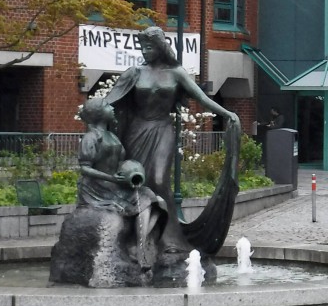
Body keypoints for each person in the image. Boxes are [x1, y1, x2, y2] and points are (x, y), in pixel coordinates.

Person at [105, 26, 241, 255]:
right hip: (137, 130)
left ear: (159, 47)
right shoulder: (135, 72)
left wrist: (227, 114)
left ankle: (170, 238)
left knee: (159, 180)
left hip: (162, 129)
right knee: (137, 182)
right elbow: (110, 101)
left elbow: (201, 98)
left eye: (149, 47)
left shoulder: (176, 73)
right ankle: (137, 236)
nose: (144, 51)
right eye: (142, 47)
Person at [76, 98, 166, 269]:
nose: (112, 108)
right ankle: (139, 249)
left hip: (115, 183)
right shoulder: (91, 137)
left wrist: (130, 171)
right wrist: (110, 178)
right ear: (99, 113)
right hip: (97, 186)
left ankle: (138, 243)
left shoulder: (112, 135)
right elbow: (85, 169)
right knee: (145, 200)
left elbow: (120, 162)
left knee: (157, 203)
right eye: (107, 106)